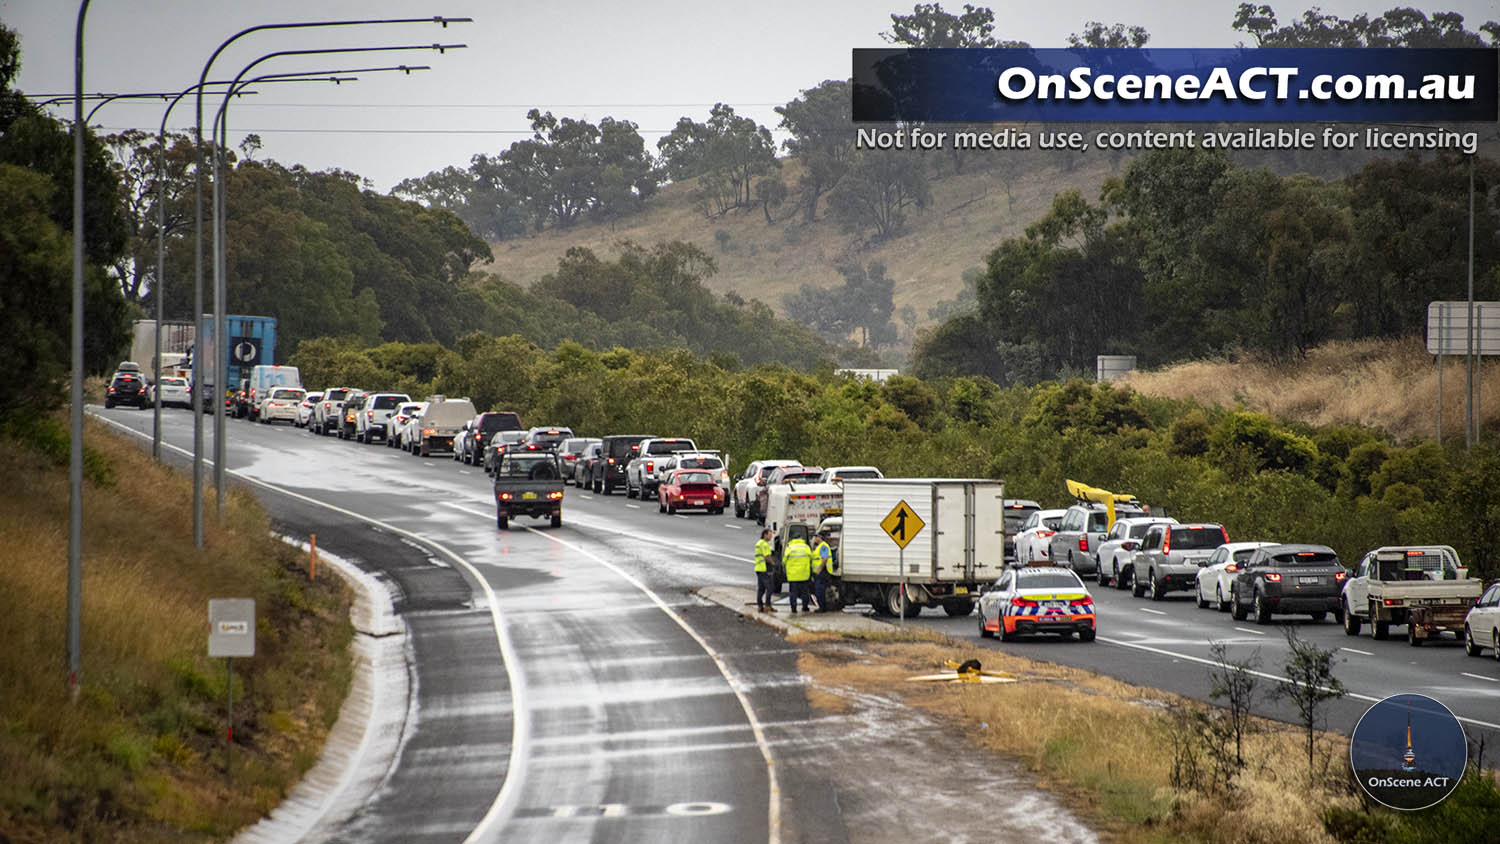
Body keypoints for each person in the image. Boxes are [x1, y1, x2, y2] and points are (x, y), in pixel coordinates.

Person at [783, 534, 814, 614]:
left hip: (793, 575)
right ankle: (805, 607)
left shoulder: (789, 548)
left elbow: (784, 561)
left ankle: (794, 609)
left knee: (793, 593)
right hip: (804, 575)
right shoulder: (806, 547)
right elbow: (811, 558)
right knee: (805, 592)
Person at [754, 529, 775, 613]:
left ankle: (760, 606)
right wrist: (773, 563)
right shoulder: (765, 544)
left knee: (761, 589)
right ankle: (767, 606)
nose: (771, 537)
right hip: (764, 568)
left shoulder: (759, 543)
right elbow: (767, 557)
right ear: (765, 535)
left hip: (758, 568)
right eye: (770, 535)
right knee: (770, 588)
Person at [811, 533, 834, 612]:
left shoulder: (823, 546)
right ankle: (822, 607)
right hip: (821, 572)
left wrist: (819, 570)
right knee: (819, 590)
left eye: (816, 537)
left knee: (820, 591)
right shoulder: (820, 546)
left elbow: (824, 558)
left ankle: (822, 608)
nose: (815, 539)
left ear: (820, 538)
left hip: (823, 572)